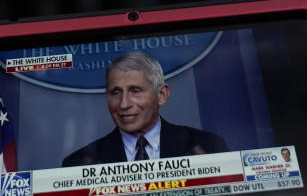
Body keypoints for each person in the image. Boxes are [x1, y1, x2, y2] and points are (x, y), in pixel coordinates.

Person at [62, 52, 227, 167]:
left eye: (135, 91)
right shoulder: (78, 163)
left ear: (162, 95)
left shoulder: (208, 147)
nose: (124, 104)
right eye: (115, 92)